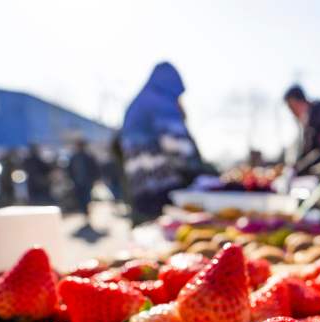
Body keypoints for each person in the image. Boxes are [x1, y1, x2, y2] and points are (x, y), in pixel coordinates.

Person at [120, 61, 216, 224]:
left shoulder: (138, 103)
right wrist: (205, 174)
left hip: (139, 188)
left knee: (148, 235)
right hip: (161, 188)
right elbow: (178, 147)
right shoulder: (161, 101)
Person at [68, 138, 100, 225]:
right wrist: (71, 179)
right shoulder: (74, 157)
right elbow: (70, 169)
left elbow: (95, 168)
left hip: (87, 181)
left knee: (87, 198)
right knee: (81, 199)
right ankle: (85, 213)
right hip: (78, 182)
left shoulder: (88, 156)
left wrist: (95, 179)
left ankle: (86, 213)